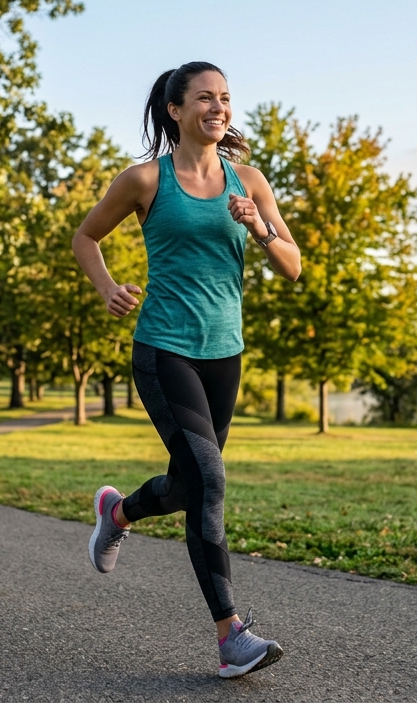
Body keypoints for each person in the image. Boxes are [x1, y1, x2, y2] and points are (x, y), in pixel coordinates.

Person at [72, 61, 302, 678]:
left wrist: (257, 226)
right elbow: (85, 237)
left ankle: (116, 514)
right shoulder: (145, 180)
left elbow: (292, 264)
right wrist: (106, 288)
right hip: (163, 349)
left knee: (189, 484)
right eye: (205, 97)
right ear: (176, 109)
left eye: (225, 97)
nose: (218, 107)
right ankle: (232, 636)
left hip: (224, 353)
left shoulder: (248, 180)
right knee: (209, 481)